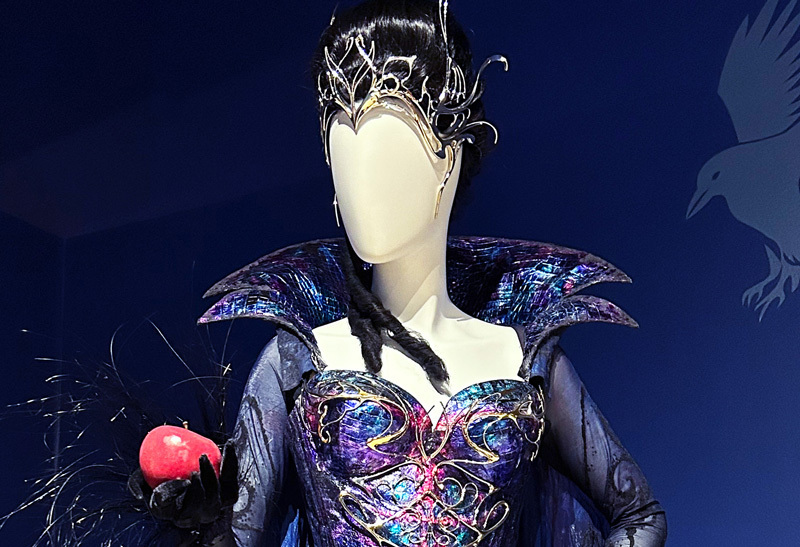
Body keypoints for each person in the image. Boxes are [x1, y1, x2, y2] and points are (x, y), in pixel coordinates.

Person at [24, 1, 669, 546]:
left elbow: (639, 516)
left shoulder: (524, 360)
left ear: (448, 162)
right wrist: (202, 521)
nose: (362, 191)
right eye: (344, 161)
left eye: (386, 160)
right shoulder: (297, 362)